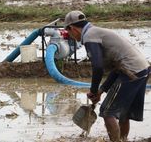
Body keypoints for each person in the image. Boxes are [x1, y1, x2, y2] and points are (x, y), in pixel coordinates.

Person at [64, 10, 150, 142]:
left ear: (72, 28)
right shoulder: (96, 32)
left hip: (130, 71)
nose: (71, 36)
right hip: (141, 69)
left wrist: (93, 91)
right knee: (123, 112)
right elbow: (116, 69)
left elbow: (97, 67)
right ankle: (122, 139)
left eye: (69, 32)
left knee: (107, 111)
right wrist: (100, 91)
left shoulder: (89, 36)